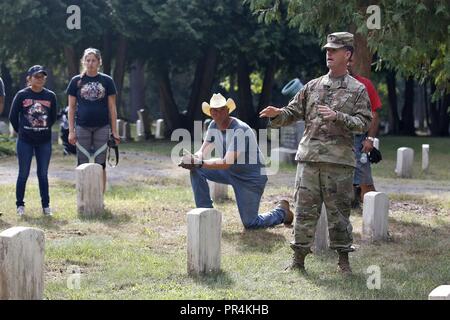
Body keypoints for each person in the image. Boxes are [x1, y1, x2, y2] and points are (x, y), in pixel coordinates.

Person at [260, 32, 372, 274]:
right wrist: (276, 114)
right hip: (309, 160)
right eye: (327, 50)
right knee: (303, 212)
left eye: (334, 50)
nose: (329, 54)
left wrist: (339, 117)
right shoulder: (313, 86)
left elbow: (364, 123)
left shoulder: (358, 90)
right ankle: (298, 260)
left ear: (348, 55)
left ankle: (343, 261)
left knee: (339, 214)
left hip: (338, 163)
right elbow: (292, 113)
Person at [178, 93, 294, 229]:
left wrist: (199, 162)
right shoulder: (213, 126)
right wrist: (194, 158)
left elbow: (227, 162)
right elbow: (202, 151)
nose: (218, 113)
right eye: (214, 110)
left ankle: (282, 212)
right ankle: (207, 215)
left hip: (250, 178)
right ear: (210, 112)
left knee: (251, 223)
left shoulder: (240, 129)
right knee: (196, 169)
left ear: (227, 110)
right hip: (229, 172)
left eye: (222, 109)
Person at [67, 48, 120, 192]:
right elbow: (71, 108)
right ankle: (82, 196)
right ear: (83, 62)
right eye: (88, 60)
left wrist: (114, 131)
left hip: (102, 127)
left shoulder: (107, 81)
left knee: (100, 164)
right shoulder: (76, 81)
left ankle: (99, 198)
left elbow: (112, 107)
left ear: (99, 62)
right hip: (82, 127)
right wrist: (71, 131)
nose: (90, 63)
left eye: (93, 60)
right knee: (81, 163)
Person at [9, 65, 57, 216]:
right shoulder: (22, 95)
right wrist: (22, 131)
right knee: (23, 173)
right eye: (36, 76)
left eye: (42, 76)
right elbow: (12, 116)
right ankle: (20, 205)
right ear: (29, 79)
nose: (40, 79)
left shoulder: (50, 96)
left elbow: (53, 117)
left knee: (43, 174)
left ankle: (46, 206)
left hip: (44, 141)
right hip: (25, 141)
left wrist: (42, 129)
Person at [347, 54, 382, 208]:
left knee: (365, 181)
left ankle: (374, 211)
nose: (347, 64)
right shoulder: (326, 84)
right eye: (345, 60)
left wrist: (370, 139)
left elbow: (374, 113)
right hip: (337, 140)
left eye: (351, 60)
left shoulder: (364, 84)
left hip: (358, 139)